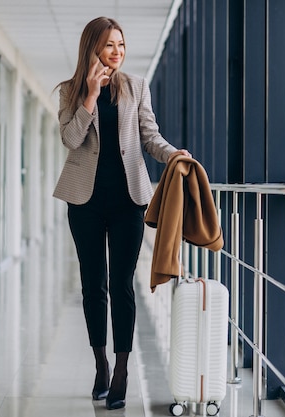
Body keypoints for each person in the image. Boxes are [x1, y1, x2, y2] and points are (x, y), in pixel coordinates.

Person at [52, 16, 190, 410]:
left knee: (122, 285)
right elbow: (71, 138)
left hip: (129, 199)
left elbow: (149, 136)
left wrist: (172, 154)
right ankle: (100, 362)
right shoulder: (71, 91)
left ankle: (122, 370)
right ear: (92, 47)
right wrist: (91, 96)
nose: (117, 51)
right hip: (85, 202)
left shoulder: (136, 87)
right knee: (92, 285)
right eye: (110, 44)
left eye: (121, 44)